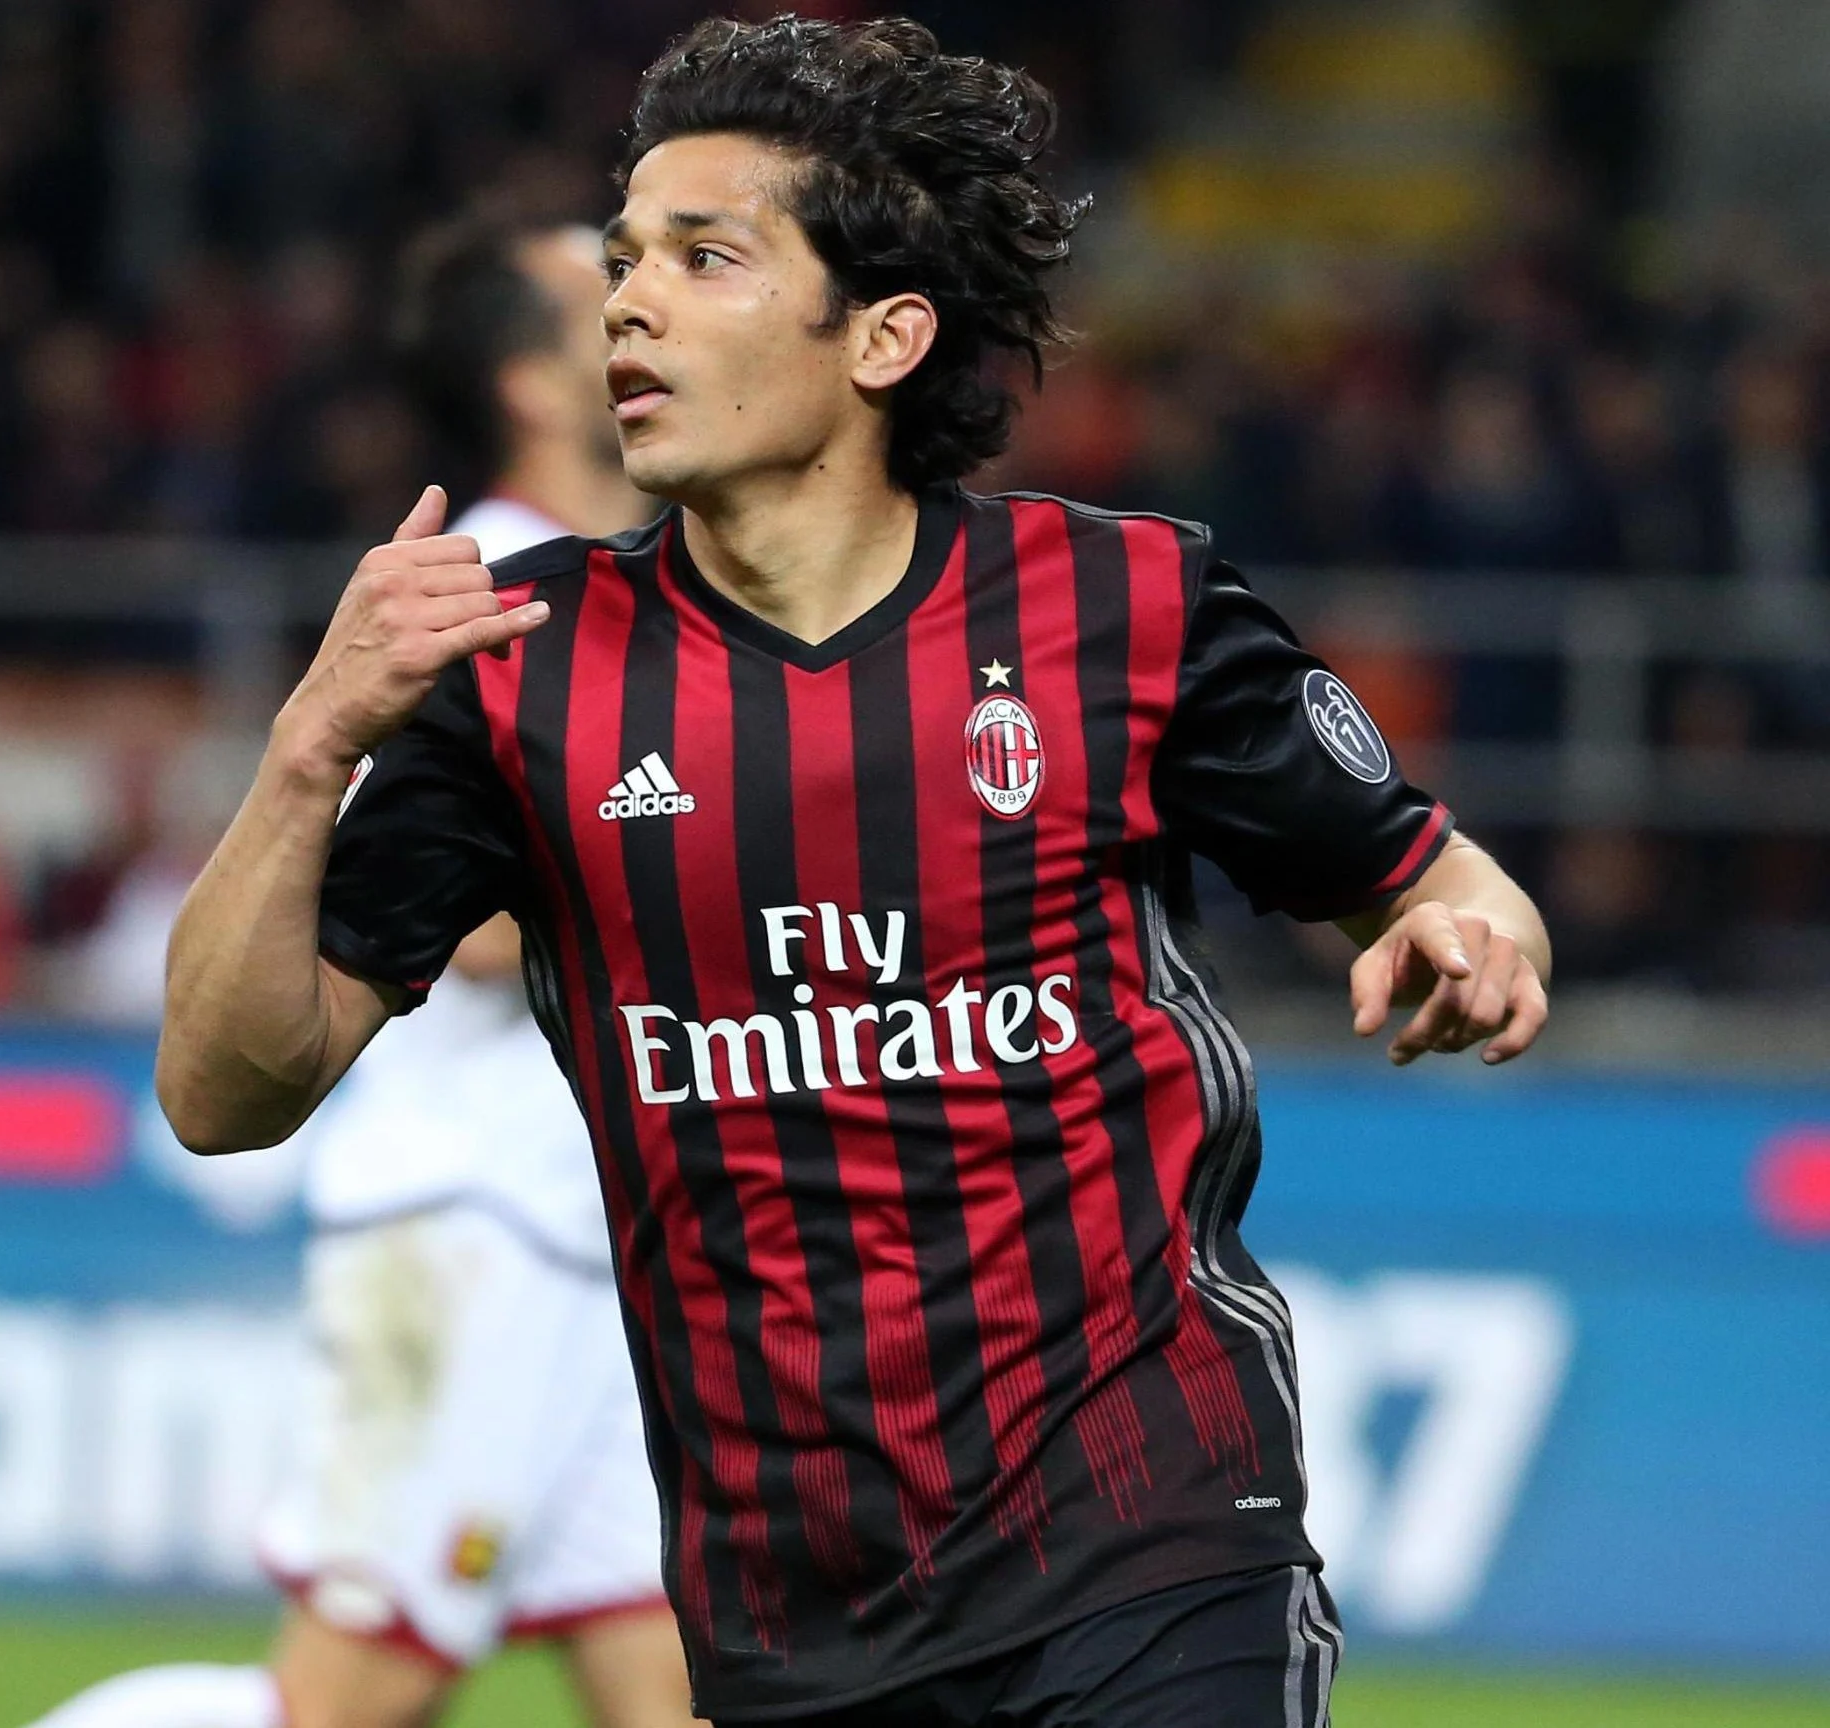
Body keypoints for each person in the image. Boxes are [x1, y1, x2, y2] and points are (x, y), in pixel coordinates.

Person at [158, 17, 1555, 1728]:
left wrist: (1475, 930)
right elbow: (226, 1090)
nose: (629, 303)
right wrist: (310, 746)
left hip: (1153, 1541)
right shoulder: (527, 673)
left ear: (884, 335)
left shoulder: (1123, 606)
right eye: (620, 260)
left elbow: (1429, 871)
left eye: (705, 255)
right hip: (789, 1613)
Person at [30, 220, 678, 1728]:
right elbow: (441, 907)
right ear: (531, 378)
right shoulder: (490, 582)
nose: (649, 298)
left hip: (604, 1240)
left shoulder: (636, 573)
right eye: (611, 284)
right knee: (341, 1706)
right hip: (474, 1220)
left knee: (685, 1691)